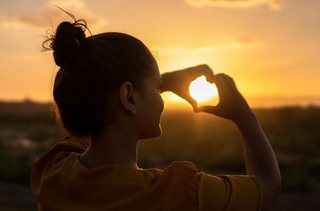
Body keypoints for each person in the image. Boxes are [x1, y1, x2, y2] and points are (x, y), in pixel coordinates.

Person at [31, 11, 281, 211]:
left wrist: (153, 85)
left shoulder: (53, 171)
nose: (161, 97)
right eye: (157, 87)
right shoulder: (179, 193)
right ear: (128, 96)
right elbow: (267, 184)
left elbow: (92, 109)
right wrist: (244, 116)